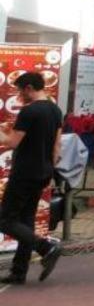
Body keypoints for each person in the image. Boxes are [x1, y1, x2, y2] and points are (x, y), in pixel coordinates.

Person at [0, 72, 64, 285]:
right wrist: (51, 171)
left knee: (6, 219)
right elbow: (57, 145)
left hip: (25, 172)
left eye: (20, 90)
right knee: (25, 221)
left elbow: (13, 143)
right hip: (43, 172)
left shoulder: (30, 111)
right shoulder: (55, 110)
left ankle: (46, 247)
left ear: (28, 88)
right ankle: (19, 272)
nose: (19, 95)